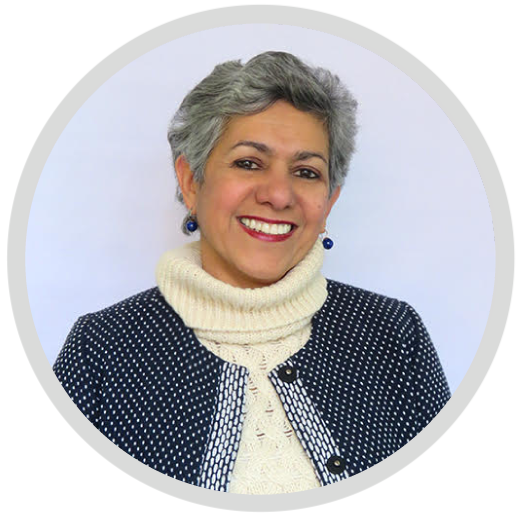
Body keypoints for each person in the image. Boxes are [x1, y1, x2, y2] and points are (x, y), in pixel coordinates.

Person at [53, 51, 451, 495]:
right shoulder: (102, 351)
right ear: (191, 181)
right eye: (248, 163)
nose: (279, 195)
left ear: (329, 202)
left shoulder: (393, 337)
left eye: (306, 172)